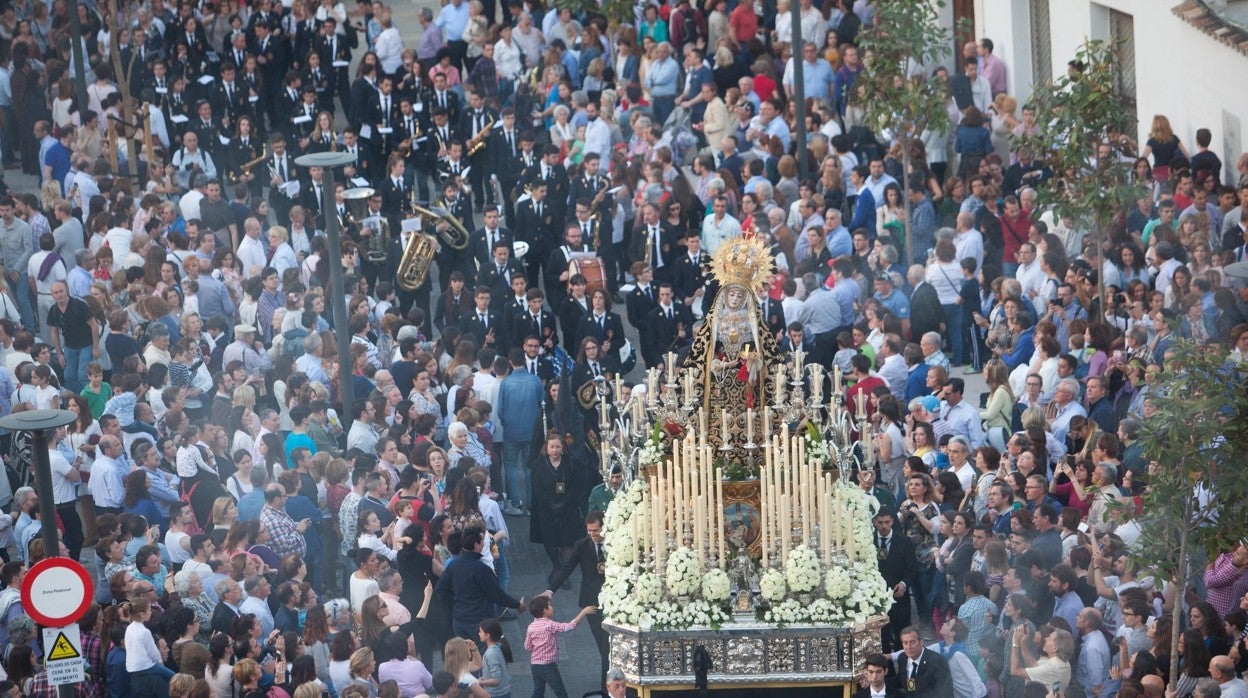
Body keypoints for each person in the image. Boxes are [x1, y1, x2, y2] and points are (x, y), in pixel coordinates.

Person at [524, 595, 596, 698]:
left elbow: (527, 647)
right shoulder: (550, 625)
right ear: (545, 611)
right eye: (550, 605)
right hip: (548, 666)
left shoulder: (531, 627)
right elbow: (569, 627)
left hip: (535, 665)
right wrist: (583, 612)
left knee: (538, 692)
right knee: (561, 693)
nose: (552, 607)